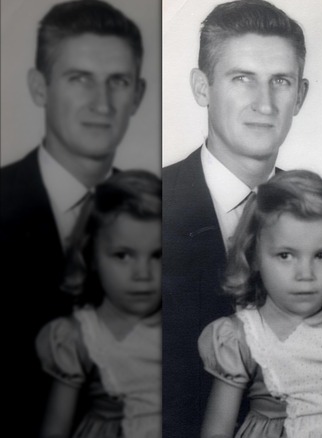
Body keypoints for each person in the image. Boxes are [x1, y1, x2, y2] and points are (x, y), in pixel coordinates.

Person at [161, 1, 309, 435]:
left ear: (300, 95)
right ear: (202, 88)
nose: (264, 104)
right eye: (242, 78)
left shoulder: (317, 213)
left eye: (280, 81)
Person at [0, 0, 146, 429]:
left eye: (117, 81)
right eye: (79, 79)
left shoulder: (154, 212)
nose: (101, 103)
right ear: (40, 87)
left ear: (137, 95)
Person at [197, 170, 322, 437]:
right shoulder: (241, 335)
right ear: (255, 256)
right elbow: (216, 432)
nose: (305, 274)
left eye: (321, 255)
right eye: (285, 255)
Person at [36, 170, 161, 438]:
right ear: (90, 255)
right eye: (123, 255)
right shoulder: (80, 336)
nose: (143, 274)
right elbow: (54, 431)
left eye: (158, 255)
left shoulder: (180, 327)